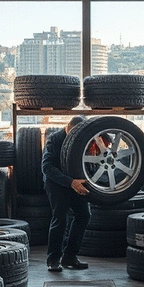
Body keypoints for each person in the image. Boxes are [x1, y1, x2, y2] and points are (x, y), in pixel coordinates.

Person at [41, 116, 90, 272]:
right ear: (68, 128)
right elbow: (47, 167)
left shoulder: (83, 139)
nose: (75, 137)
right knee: (60, 218)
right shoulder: (54, 140)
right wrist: (70, 182)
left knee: (84, 215)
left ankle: (70, 257)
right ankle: (53, 259)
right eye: (73, 134)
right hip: (57, 183)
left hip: (76, 182)